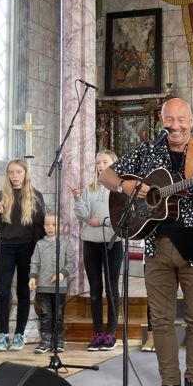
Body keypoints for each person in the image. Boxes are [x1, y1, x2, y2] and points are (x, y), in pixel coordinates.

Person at [100, 97, 193, 386]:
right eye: (170, 119)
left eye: (181, 119)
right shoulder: (148, 150)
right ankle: (170, 385)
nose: (176, 125)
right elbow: (107, 177)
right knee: (160, 320)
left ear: (192, 120)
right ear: (162, 120)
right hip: (156, 244)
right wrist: (128, 187)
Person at [0, 159, 45, 352]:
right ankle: (3, 334)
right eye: (11, 172)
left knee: (23, 292)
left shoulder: (35, 196)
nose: (14, 176)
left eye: (18, 172)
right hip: (6, 248)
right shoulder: (1, 195)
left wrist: (37, 255)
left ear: (25, 173)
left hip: (27, 248)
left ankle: (19, 334)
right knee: (3, 292)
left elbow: (39, 228)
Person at [70, 150, 123, 352]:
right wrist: (77, 199)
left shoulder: (120, 189)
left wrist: (102, 221)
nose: (100, 165)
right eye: (98, 162)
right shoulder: (89, 189)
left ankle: (111, 333)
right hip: (90, 242)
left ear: (113, 164)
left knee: (111, 289)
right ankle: (98, 333)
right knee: (94, 290)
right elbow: (83, 215)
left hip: (112, 242)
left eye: (105, 162)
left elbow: (125, 217)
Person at [28, 212, 77, 354]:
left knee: (58, 315)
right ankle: (45, 340)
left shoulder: (66, 243)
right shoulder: (40, 244)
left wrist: (62, 273)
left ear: (61, 226)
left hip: (59, 288)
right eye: (47, 224)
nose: (50, 227)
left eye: (54, 225)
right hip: (42, 288)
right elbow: (35, 263)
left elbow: (71, 263)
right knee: (45, 314)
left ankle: (58, 340)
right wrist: (33, 277)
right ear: (43, 226)